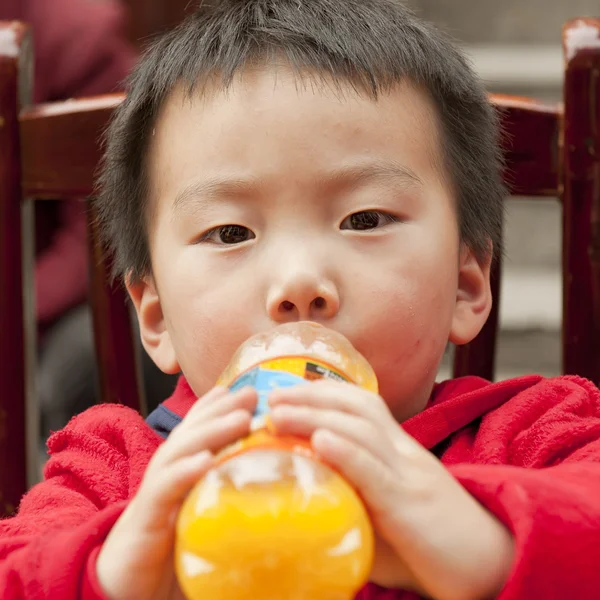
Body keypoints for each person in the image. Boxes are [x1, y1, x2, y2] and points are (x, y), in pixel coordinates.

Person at [1, 1, 599, 598]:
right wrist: (112, 572)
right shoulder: (113, 468)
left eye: (365, 219)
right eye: (231, 233)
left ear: (469, 284)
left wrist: (486, 545)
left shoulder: (534, 433)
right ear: (155, 317)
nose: (298, 283)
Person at [0, 0, 176, 449]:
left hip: (62, 297)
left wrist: (18, 309)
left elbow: (97, 229)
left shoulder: (74, 31)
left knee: (74, 369)